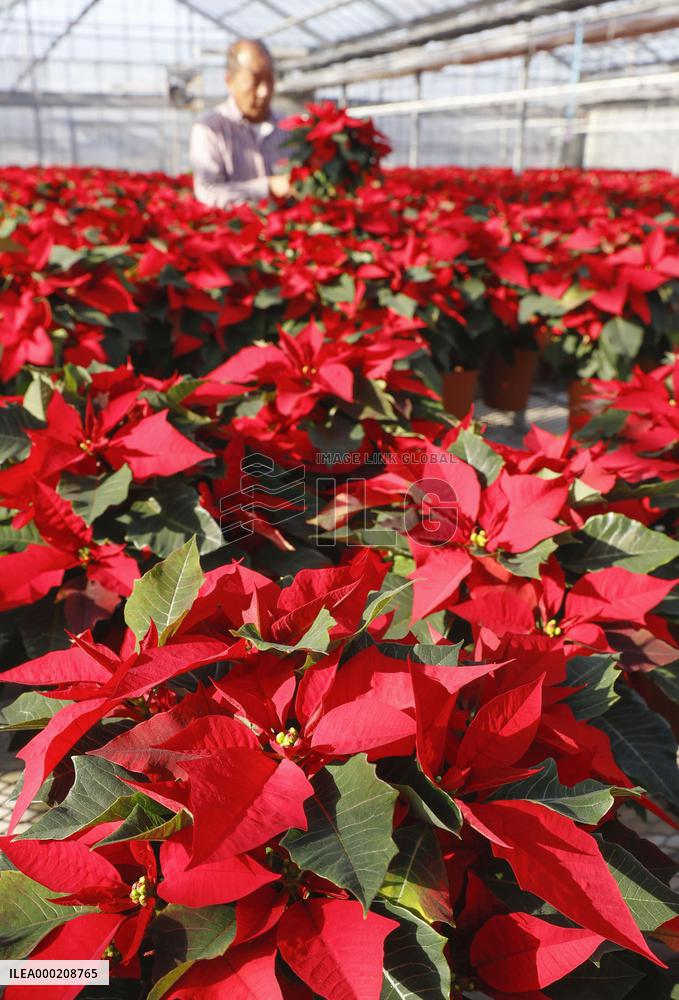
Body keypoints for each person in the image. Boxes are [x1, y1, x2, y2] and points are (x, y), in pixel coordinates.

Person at [190, 38, 291, 207]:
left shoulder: (288, 127)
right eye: (255, 80)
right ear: (230, 81)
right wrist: (267, 187)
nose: (264, 92)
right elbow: (208, 190)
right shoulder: (210, 129)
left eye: (270, 80)